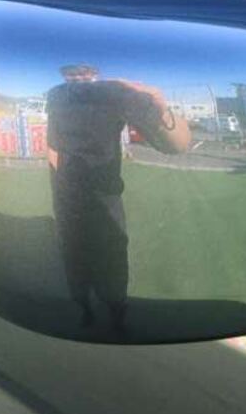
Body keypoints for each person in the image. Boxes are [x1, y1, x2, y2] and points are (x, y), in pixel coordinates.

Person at [46, 64, 191, 330]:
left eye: (84, 73)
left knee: (112, 258)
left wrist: (160, 107)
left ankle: (117, 312)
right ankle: (84, 308)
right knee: (74, 258)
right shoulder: (57, 97)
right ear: (64, 77)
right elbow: (53, 147)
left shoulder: (112, 95)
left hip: (106, 196)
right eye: (71, 74)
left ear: (95, 74)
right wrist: (58, 194)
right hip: (69, 198)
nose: (78, 79)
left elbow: (177, 145)